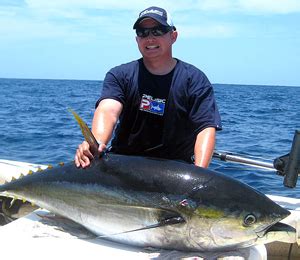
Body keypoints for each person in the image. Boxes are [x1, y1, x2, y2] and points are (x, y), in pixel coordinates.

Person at [75, 6, 222, 169]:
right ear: (137, 39)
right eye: (142, 32)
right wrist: (97, 142)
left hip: (175, 171)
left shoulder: (195, 79)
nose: (150, 38)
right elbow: (108, 110)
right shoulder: (120, 75)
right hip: (122, 167)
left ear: (173, 36)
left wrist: (199, 174)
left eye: (158, 31)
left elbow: (205, 128)